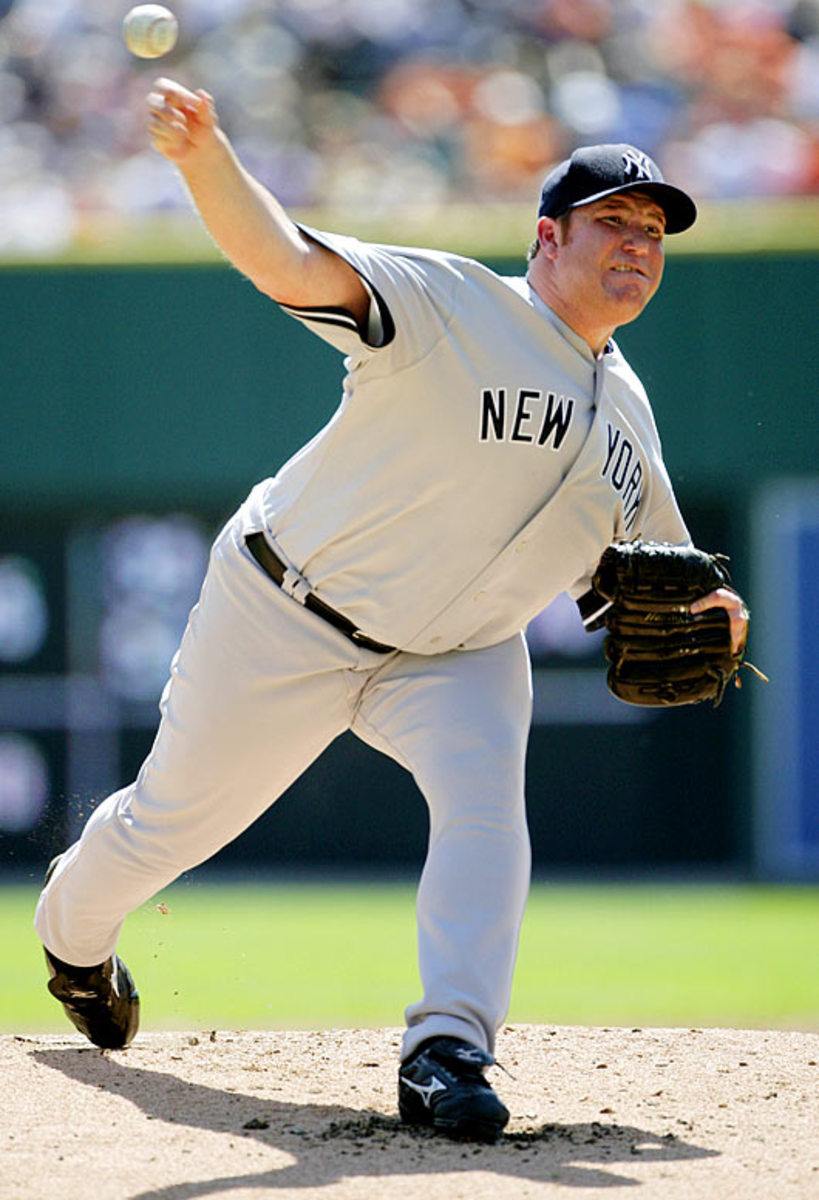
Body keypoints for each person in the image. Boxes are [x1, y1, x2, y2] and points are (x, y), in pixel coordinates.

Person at [34, 79, 748, 1143]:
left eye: (653, 231)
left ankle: (447, 1048)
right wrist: (204, 163)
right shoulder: (452, 303)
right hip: (288, 609)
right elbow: (286, 263)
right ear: (548, 237)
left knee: (486, 811)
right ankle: (71, 939)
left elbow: (664, 582)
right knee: (166, 824)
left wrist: (723, 621)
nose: (638, 243)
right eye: (614, 222)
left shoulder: (629, 418)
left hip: (457, 653)